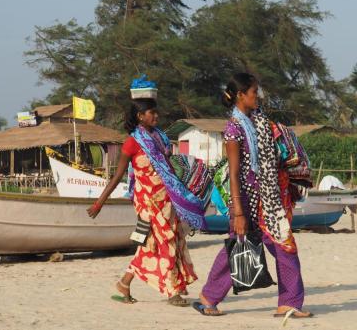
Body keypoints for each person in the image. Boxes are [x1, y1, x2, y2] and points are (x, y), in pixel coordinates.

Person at [194, 73, 313, 318]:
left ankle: (288, 302)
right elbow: (235, 173)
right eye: (253, 92)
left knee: (281, 246)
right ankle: (208, 297)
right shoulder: (233, 129)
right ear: (240, 95)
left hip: (266, 199)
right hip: (246, 201)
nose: (257, 96)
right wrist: (238, 212)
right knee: (241, 246)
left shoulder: (258, 123)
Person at [87, 98, 200, 307]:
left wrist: (183, 191)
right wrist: (99, 203)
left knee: (161, 242)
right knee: (164, 241)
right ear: (140, 116)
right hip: (148, 203)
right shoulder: (132, 142)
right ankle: (172, 291)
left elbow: (168, 167)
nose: (156, 116)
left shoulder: (160, 138)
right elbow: (117, 176)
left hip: (167, 200)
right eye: (151, 113)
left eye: (156, 112)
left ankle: (124, 283)